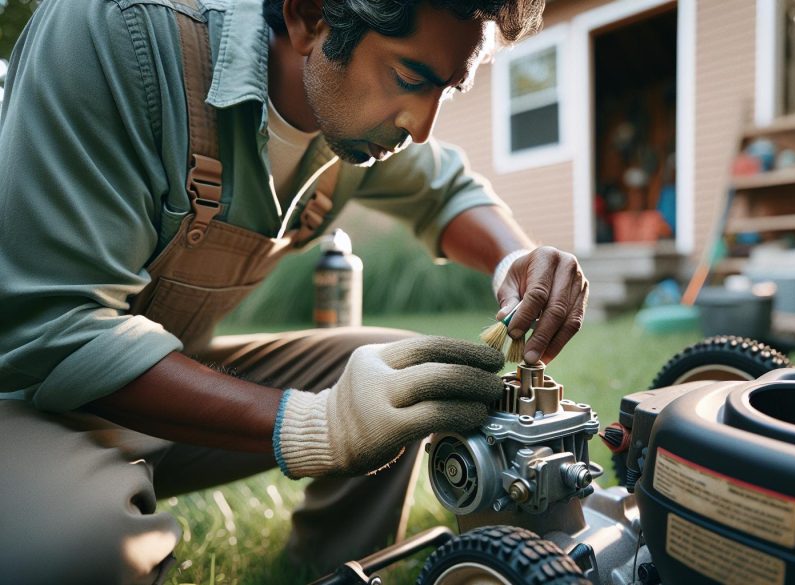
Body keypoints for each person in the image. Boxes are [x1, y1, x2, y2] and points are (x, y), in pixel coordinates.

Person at [0, 0, 589, 582]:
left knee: (409, 378)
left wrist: (515, 258)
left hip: (165, 395)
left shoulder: (353, 122)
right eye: (411, 77)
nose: (420, 125)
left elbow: (448, 190)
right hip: (28, 402)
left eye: (447, 90)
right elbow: (55, 326)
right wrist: (317, 423)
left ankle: (333, 565)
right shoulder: (117, 32)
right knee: (76, 554)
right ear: (311, 17)